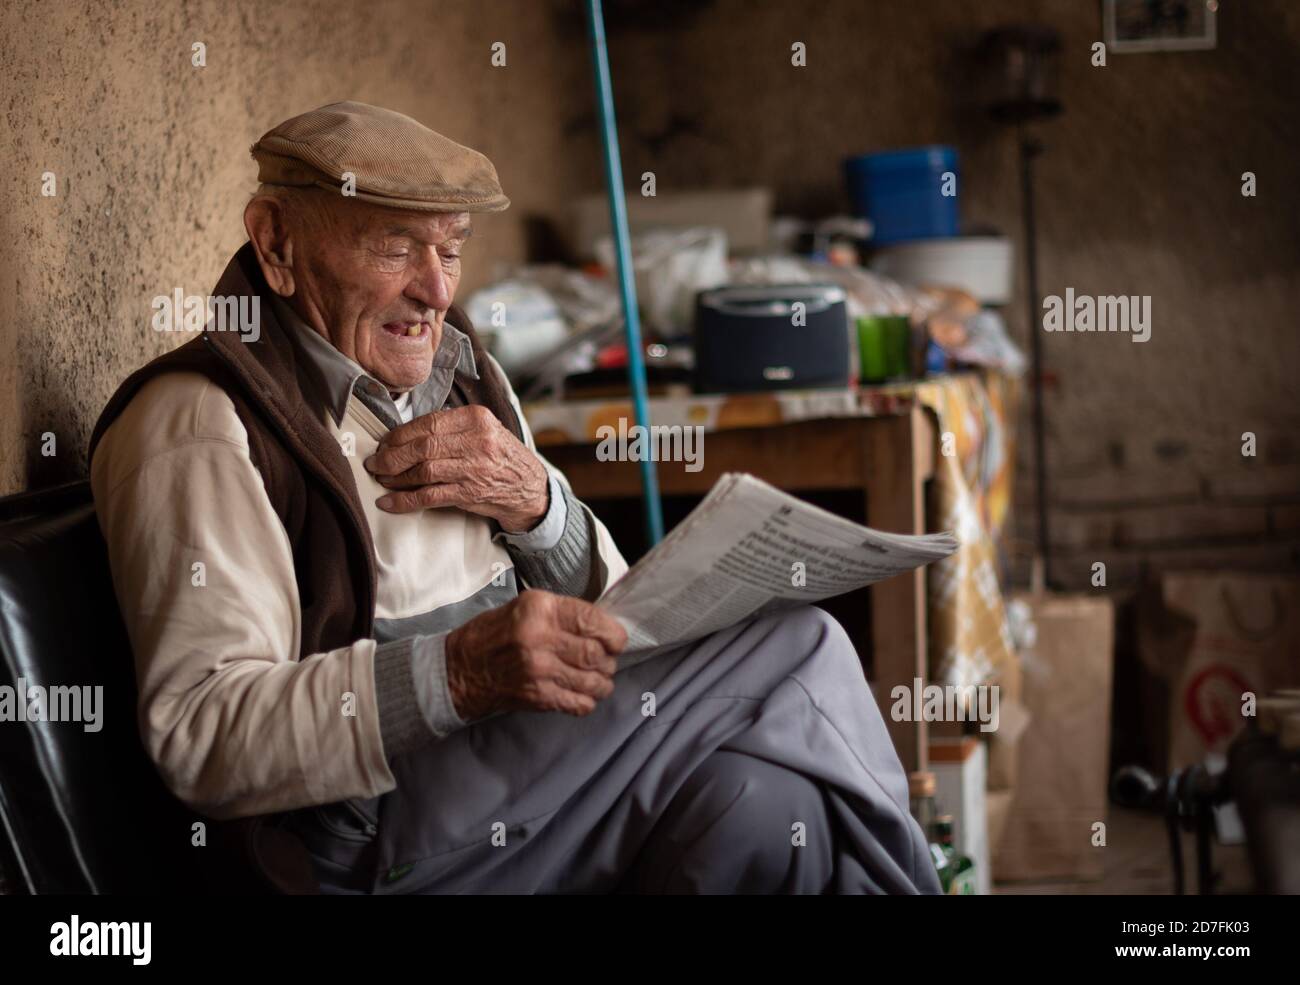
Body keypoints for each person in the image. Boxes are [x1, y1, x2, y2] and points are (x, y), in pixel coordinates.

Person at [89, 101, 939, 894]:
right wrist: (458, 671)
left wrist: (544, 509)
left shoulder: (466, 375)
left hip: (521, 779)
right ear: (276, 243)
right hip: (375, 834)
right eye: (395, 246)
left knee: (764, 808)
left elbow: (611, 608)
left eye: (449, 248)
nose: (437, 289)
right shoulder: (204, 420)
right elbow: (200, 736)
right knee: (797, 639)